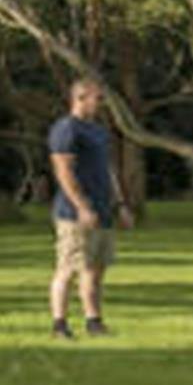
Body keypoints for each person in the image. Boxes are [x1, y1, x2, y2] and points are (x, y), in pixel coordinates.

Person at [48, 77, 132, 340]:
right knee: (69, 267)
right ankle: (60, 324)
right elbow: (63, 171)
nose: (101, 103)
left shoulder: (98, 131)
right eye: (98, 98)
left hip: (103, 210)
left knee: (95, 268)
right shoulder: (66, 129)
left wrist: (120, 205)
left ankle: (93, 321)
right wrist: (82, 207)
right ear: (80, 98)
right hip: (74, 214)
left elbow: (108, 171)